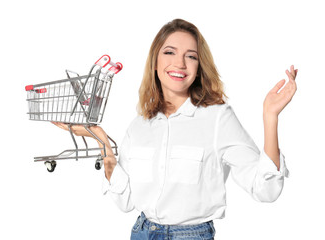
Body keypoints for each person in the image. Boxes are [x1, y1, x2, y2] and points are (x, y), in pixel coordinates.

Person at [53, 19, 297, 240]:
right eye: (169, 52)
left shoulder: (217, 118)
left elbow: (266, 190)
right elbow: (125, 201)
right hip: (141, 232)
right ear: (155, 63)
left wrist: (270, 117)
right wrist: (102, 140)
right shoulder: (140, 125)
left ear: (199, 66)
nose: (179, 63)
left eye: (191, 56)